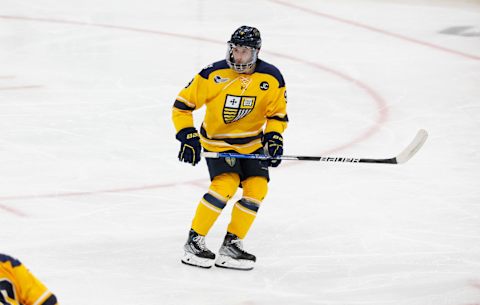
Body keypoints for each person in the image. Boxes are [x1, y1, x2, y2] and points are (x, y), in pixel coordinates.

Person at [172, 25, 288, 270]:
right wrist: (188, 135)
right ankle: (194, 242)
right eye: (234, 50)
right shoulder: (212, 74)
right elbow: (182, 105)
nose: (238, 56)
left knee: (257, 188)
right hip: (218, 143)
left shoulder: (272, 77)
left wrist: (274, 137)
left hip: (252, 144)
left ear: (256, 52)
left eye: (244, 51)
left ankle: (232, 244)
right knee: (225, 184)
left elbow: (277, 115)